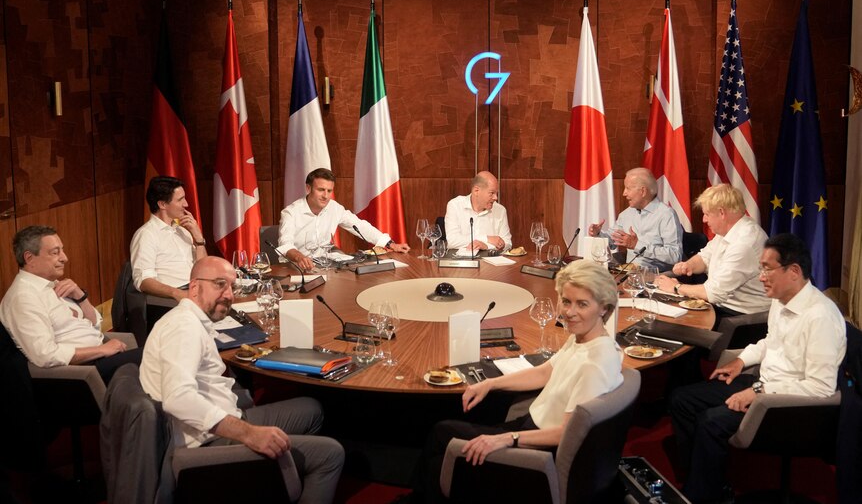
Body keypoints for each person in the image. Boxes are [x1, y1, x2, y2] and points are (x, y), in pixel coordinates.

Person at [139, 256, 344, 503]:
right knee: (331, 454)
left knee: (311, 408)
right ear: (194, 287)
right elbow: (178, 399)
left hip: (222, 417)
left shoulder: (189, 319)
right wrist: (249, 434)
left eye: (231, 287)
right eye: (219, 284)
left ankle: (273, 483)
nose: (228, 295)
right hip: (206, 443)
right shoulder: (184, 328)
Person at [414, 259, 623, 502]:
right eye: (566, 301)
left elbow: (567, 434)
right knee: (446, 432)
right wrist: (490, 384)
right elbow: (544, 372)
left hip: (537, 449)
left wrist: (507, 438)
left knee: (441, 445)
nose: (569, 312)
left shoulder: (595, 364)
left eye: (582, 304)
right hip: (529, 424)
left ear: (604, 308)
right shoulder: (585, 338)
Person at [669, 233, 846, 504]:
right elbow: (769, 342)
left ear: (794, 271)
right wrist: (741, 361)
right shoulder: (781, 299)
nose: (760, 275)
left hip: (789, 406)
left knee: (711, 421)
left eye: (766, 268)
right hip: (762, 385)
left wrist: (759, 392)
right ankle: (702, 478)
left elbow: (819, 388)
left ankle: (702, 495)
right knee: (682, 399)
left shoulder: (820, 316)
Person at [0, 226, 142, 383]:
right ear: (29, 258)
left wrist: (80, 297)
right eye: (55, 253)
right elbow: (45, 355)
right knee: (162, 354)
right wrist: (101, 350)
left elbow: (95, 325)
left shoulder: (52, 284)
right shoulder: (24, 297)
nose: (64, 258)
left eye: (62, 250)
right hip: (86, 371)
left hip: (102, 354)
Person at [656, 183, 771, 318]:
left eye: (707, 214)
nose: (704, 220)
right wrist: (688, 265)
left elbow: (714, 293)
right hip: (721, 307)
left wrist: (676, 288)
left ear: (722, 213)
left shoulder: (744, 242)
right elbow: (705, 257)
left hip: (741, 318)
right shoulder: (728, 231)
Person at [277, 168, 409, 271]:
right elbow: (285, 244)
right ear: (308, 188)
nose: (326, 196)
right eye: (321, 190)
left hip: (324, 266)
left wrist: (390, 244)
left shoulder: (334, 208)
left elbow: (359, 225)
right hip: (295, 267)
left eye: (329, 191)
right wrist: (300, 257)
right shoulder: (291, 212)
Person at [587, 167, 682, 272]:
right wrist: (598, 234)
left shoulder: (666, 215)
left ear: (643, 191)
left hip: (657, 276)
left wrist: (637, 245)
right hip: (629, 274)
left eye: (628, 188)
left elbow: (675, 256)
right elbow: (612, 241)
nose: (624, 193)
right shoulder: (627, 214)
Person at [131, 176, 207, 300]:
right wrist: (178, 294)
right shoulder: (146, 235)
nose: (186, 204)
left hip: (196, 292)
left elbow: (204, 270)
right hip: (169, 300)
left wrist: (199, 239)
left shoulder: (183, 231)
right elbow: (144, 281)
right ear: (162, 204)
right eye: (180, 200)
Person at [443, 171, 512, 253]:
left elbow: (507, 244)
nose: (496, 197)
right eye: (492, 193)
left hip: (491, 263)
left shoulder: (500, 210)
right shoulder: (455, 205)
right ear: (476, 191)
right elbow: (452, 241)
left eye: (496, 193)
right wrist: (486, 239)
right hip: (461, 262)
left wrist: (486, 246)